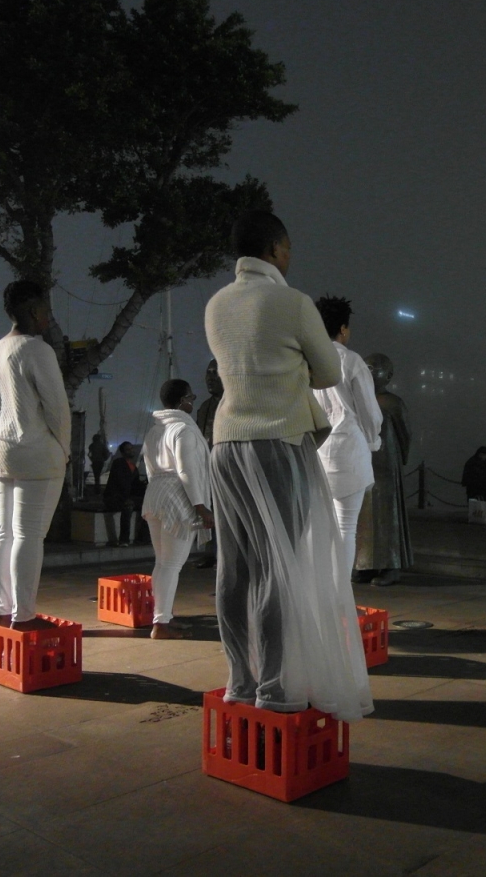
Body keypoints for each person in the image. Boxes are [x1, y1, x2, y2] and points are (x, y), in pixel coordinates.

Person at [204, 209, 372, 720]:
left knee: (235, 568)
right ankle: (275, 687)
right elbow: (328, 371)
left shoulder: (216, 304)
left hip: (225, 444)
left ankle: (241, 679)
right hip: (277, 441)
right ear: (276, 248)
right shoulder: (292, 302)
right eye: (288, 248)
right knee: (278, 566)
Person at [0, 280, 72, 629]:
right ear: (34, 311)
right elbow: (57, 408)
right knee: (29, 534)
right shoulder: (37, 349)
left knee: (3, 533)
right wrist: (64, 449)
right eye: (46, 311)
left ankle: (3, 610)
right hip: (34, 450)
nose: (48, 317)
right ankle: (24, 616)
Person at [312, 295, 384, 582]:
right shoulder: (351, 361)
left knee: (320, 529)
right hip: (349, 450)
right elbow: (370, 414)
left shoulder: (309, 362)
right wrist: (373, 441)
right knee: (346, 527)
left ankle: (319, 591)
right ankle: (340, 594)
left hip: (317, 452)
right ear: (343, 329)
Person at [141, 379, 213, 639]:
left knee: (162, 563)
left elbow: (149, 468)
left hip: (154, 495)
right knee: (171, 564)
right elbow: (186, 470)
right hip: (177, 497)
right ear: (183, 400)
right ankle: (161, 624)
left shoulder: (154, 430)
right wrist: (201, 507)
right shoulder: (183, 429)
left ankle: (164, 617)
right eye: (191, 397)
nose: (192, 402)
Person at [354, 353, 414, 586]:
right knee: (363, 514)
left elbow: (405, 435)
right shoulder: (357, 399)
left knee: (387, 515)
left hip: (386, 465)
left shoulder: (393, 403)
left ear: (388, 376)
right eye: (366, 368)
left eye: (374, 369)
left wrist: (399, 460)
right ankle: (365, 564)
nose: (369, 373)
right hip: (362, 463)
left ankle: (391, 565)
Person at [191, 358, 223, 568]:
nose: (210, 378)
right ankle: (211, 553)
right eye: (208, 373)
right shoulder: (204, 407)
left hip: (226, 467)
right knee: (209, 514)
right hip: (206, 468)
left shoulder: (234, 402)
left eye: (215, 372)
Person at [103, 441, 140, 547]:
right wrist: (126, 498)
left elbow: (136, 485)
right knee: (127, 507)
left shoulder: (134, 468)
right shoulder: (118, 463)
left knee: (148, 506)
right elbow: (119, 483)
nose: (131, 451)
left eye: (132, 449)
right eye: (128, 449)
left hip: (125, 497)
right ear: (123, 452)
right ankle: (124, 540)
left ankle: (143, 538)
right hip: (114, 497)